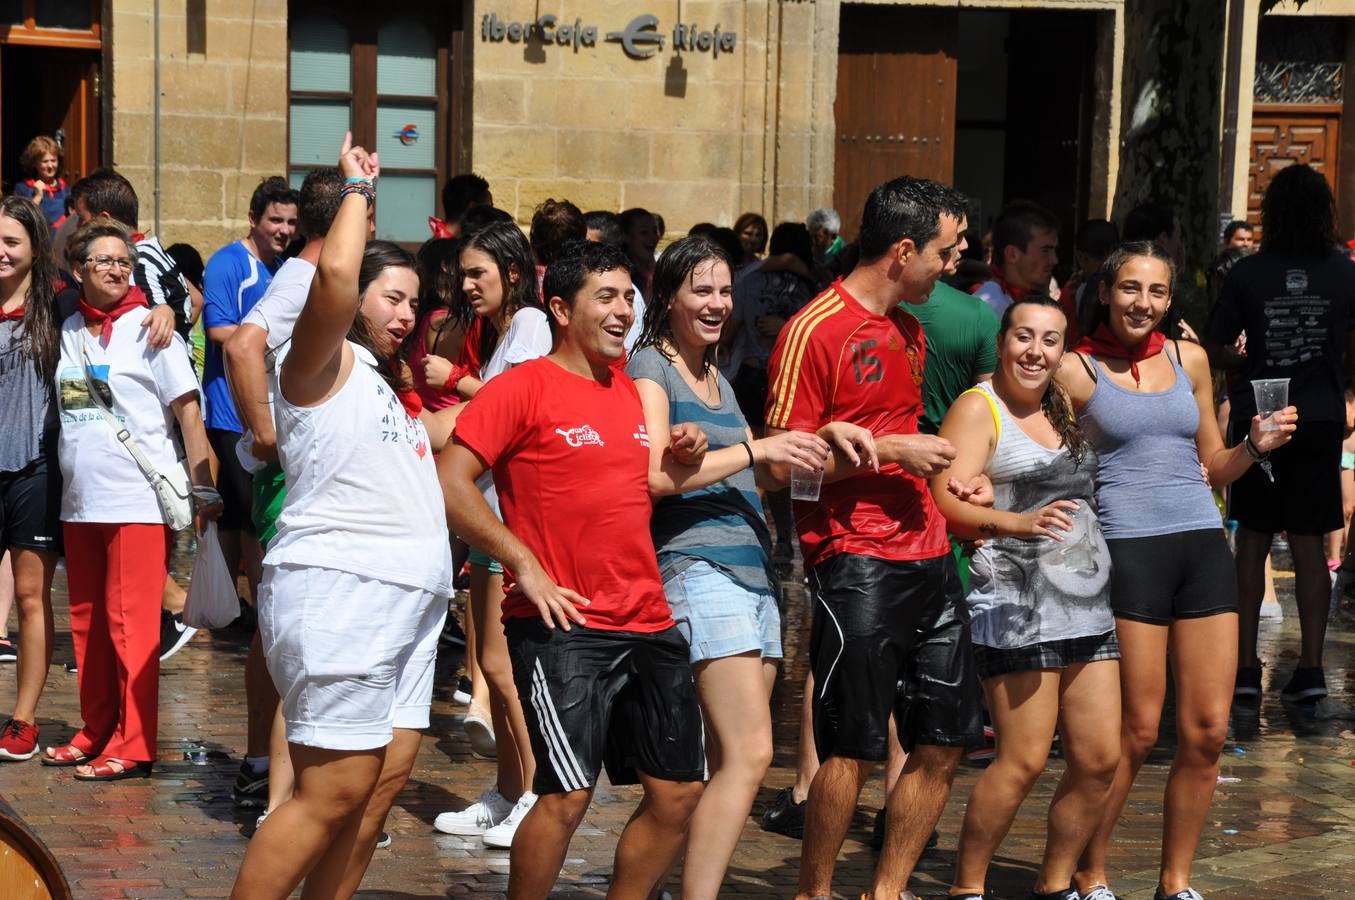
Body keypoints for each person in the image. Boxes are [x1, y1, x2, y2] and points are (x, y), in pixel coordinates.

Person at [439, 238, 707, 898]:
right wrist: (521, 563)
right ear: (560, 308)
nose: (623, 311)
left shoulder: (629, 390)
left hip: (647, 617)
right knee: (563, 795)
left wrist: (683, 451)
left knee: (678, 793)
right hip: (562, 626)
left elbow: (643, 480)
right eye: (606, 297)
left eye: (628, 297)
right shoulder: (522, 386)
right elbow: (450, 481)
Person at [229, 136, 452, 898]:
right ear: (354, 298)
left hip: (406, 600)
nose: (406, 313)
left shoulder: (381, 386)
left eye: (416, 302)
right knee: (329, 791)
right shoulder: (315, 360)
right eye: (392, 295)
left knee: (376, 788)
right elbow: (331, 271)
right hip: (344, 591)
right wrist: (358, 187)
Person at [765, 175, 983, 900]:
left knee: (943, 742)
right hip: (851, 558)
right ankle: (815, 891)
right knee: (849, 747)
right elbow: (777, 466)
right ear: (901, 250)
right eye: (945, 253)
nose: (953, 267)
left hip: (927, 554)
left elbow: (902, 436)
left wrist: (949, 481)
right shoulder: (812, 329)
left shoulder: (911, 331)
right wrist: (893, 453)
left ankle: (884, 892)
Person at [628, 235, 866, 898]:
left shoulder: (716, 377)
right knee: (751, 754)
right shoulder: (653, 367)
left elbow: (748, 469)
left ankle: (675, 888)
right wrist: (755, 451)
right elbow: (652, 478)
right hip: (697, 568)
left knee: (715, 761)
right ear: (669, 297)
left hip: (748, 571)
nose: (716, 303)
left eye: (724, 290)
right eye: (700, 290)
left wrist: (815, 447)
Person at [1064, 242, 1296, 900]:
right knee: (1135, 731)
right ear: (1106, 292)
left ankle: (1175, 882)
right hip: (1127, 551)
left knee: (1205, 731)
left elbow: (1212, 468)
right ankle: (1089, 870)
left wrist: (1253, 445)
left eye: (1157, 292)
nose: (1143, 303)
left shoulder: (1187, 359)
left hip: (1199, 547)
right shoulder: (1073, 370)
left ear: (1170, 300)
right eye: (1131, 289)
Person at [931, 298, 1120, 900]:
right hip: (1018, 609)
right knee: (1024, 761)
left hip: (1087, 605)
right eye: (1023, 337)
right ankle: (968, 887)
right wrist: (1018, 523)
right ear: (1002, 340)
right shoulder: (977, 406)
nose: (1035, 352)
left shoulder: (1059, 402)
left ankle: (1055, 884)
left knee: (1098, 760)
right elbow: (946, 505)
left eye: (1051, 340)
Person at [43, 218, 220, 780]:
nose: (118, 269)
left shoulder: (151, 327)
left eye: (125, 261)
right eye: (105, 261)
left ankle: (135, 740)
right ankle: (96, 727)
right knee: (87, 622)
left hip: (138, 502)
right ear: (79, 271)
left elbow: (187, 410)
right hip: (80, 500)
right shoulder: (66, 327)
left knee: (132, 624)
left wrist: (202, 483)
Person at [1204, 164, 1355, 705]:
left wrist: (1244, 362)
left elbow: (1216, 345)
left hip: (1261, 419)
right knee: (1311, 544)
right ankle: (1311, 671)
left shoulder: (1250, 273)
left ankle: (1245, 668)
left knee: (1253, 542)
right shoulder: (1344, 273)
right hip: (1319, 418)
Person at [222, 165, 345, 820]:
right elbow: (244, 344)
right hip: (290, 478)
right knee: (291, 630)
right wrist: (265, 432)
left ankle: (264, 766)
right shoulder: (304, 279)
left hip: (300, 472)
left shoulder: (306, 276)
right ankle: (281, 783)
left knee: (278, 628)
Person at [432, 220, 550, 848]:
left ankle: (532, 792)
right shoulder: (499, 330)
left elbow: (511, 410)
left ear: (511, 271)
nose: (466, 285)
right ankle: (507, 789)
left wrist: (446, 393)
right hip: (486, 513)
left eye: (477, 273)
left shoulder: (530, 324)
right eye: (462, 274)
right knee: (487, 662)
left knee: (505, 669)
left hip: (513, 517)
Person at [0, 197, 63, 761]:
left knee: (30, 597)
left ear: (34, 249)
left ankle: (23, 720)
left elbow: (119, 296)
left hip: (34, 470)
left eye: (11, 241)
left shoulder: (55, 306)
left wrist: (158, 309)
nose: (1, 251)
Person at [721, 221, 819, 564]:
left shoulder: (749, 280)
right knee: (799, 462)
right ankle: (802, 537)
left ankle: (773, 539)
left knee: (760, 459)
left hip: (751, 376)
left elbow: (730, 329)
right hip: (795, 381)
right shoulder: (816, 288)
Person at [70, 168, 199, 341]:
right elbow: (197, 299)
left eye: (81, 218)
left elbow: (153, 324)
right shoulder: (151, 249)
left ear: (103, 219)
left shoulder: (137, 263)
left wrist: (164, 314)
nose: (77, 226)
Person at [974, 202, 1060, 318]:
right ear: (1012, 254)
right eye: (1045, 250)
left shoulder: (1021, 300)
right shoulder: (988, 309)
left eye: (1054, 250)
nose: (1054, 260)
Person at [1061, 219, 1119, 344]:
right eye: (1099, 255)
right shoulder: (1072, 292)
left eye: (1113, 256)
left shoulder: (1072, 291)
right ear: (1081, 257)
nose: (1105, 265)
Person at [13, 136, 70, 232]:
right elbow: (21, 221)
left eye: (53, 160)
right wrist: (37, 196)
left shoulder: (67, 190)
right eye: (45, 161)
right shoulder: (23, 189)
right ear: (34, 164)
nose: (50, 166)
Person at [620, 207, 660, 298]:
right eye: (644, 232)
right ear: (626, 236)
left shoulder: (660, 272)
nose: (653, 237)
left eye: (654, 231)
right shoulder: (621, 275)